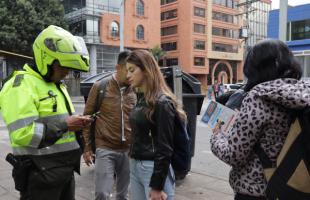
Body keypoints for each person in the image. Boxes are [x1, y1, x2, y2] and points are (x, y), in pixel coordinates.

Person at [0, 25, 93, 200]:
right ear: (46, 59)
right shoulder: (20, 85)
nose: (66, 73)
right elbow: (23, 134)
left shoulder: (55, 83)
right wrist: (66, 125)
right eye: (63, 67)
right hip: (40, 177)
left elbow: (61, 121)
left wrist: (76, 124)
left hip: (64, 172)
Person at [210, 39, 307, 200]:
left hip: (256, 191)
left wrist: (216, 136)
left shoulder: (259, 97)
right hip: (293, 187)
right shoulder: (302, 93)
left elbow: (234, 155)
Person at [126, 50, 187, 200]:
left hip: (152, 167)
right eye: (127, 71)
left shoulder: (162, 102)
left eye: (132, 70)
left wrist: (157, 185)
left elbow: (165, 147)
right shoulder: (141, 99)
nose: (128, 75)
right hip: (135, 164)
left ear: (146, 70)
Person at [82, 51, 136, 200]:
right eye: (129, 70)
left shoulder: (136, 89)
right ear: (118, 67)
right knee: (102, 193)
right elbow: (87, 119)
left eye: (134, 70)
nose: (132, 75)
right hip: (105, 147)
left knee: (123, 195)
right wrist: (86, 147)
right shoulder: (100, 86)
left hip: (128, 150)